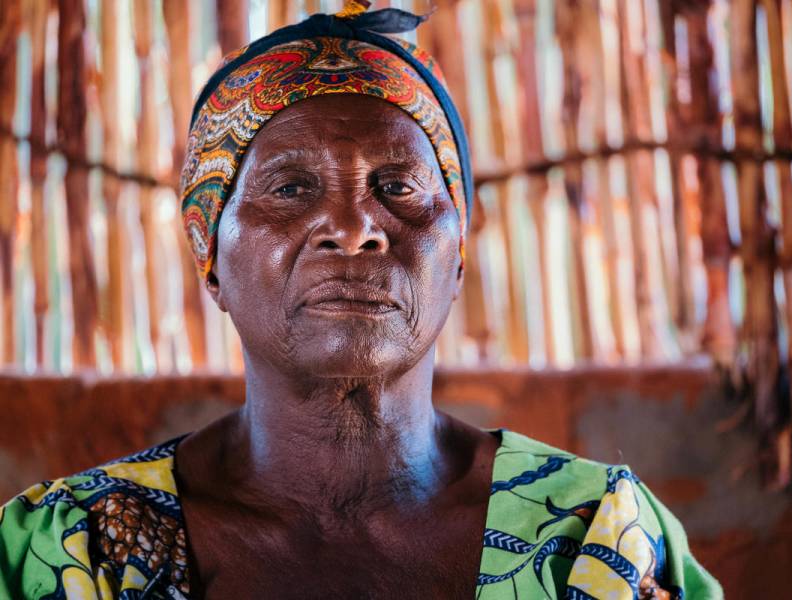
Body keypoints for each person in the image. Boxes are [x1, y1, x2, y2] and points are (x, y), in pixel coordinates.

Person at [0, 4, 721, 598]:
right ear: (209, 257)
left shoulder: (592, 538)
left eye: (398, 186)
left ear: (459, 249)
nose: (352, 229)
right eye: (290, 189)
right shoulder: (70, 552)